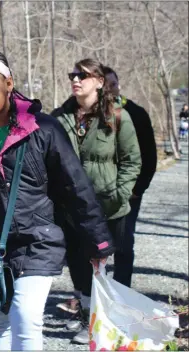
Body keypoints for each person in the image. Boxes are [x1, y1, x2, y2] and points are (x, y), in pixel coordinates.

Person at [0, 47, 115, 351]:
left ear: (8, 84)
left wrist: (97, 241)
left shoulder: (44, 129)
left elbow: (75, 188)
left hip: (38, 241)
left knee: (25, 316)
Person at [51, 59, 141, 344]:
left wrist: (118, 194)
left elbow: (132, 161)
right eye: (73, 75)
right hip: (71, 206)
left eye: (83, 76)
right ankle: (88, 320)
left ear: (99, 82)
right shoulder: (60, 117)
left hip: (108, 207)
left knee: (101, 264)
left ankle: (108, 319)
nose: (75, 80)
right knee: (78, 264)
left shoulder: (117, 116)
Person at [104, 66, 157, 288]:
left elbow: (149, 157)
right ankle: (91, 298)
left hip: (129, 192)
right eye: (105, 86)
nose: (110, 90)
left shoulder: (135, 113)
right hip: (97, 191)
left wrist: (137, 189)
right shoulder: (86, 115)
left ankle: (121, 292)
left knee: (123, 244)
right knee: (93, 244)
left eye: (113, 85)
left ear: (119, 85)